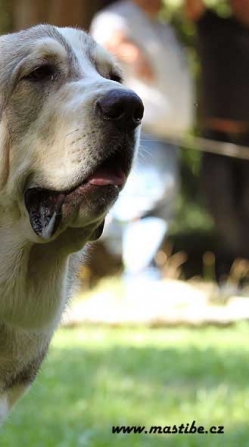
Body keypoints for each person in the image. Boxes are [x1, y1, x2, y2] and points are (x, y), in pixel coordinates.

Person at [90, 0, 195, 284]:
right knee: (144, 203)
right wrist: (130, 51)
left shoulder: (162, 26)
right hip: (141, 130)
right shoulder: (118, 16)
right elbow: (102, 47)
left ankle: (134, 265)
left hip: (168, 132)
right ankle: (142, 277)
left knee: (158, 206)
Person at [185, 0, 249, 262]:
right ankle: (237, 266)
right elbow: (191, 7)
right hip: (216, 137)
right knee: (221, 207)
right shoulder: (213, 24)